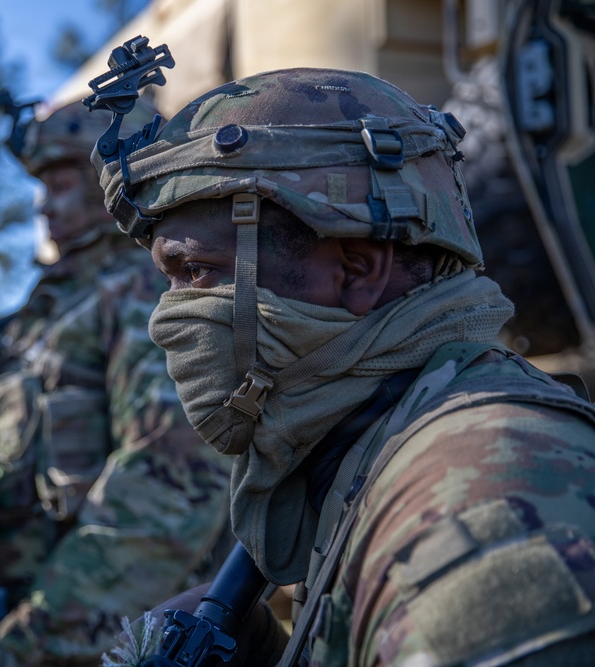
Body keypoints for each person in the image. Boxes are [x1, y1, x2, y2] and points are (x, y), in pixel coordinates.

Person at [89, 68, 595, 665]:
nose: (167, 319)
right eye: (169, 282)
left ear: (356, 268)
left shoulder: (479, 499)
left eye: (198, 272)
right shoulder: (370, 446)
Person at [0, 99, 233, 666]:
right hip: (20, 617)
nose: (44, 205)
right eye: (42, 187)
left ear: (121, 178)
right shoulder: (40, 313)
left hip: (106, 635)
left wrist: (25, 643)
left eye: (64, 184)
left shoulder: (147, 294)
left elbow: (166, 491)